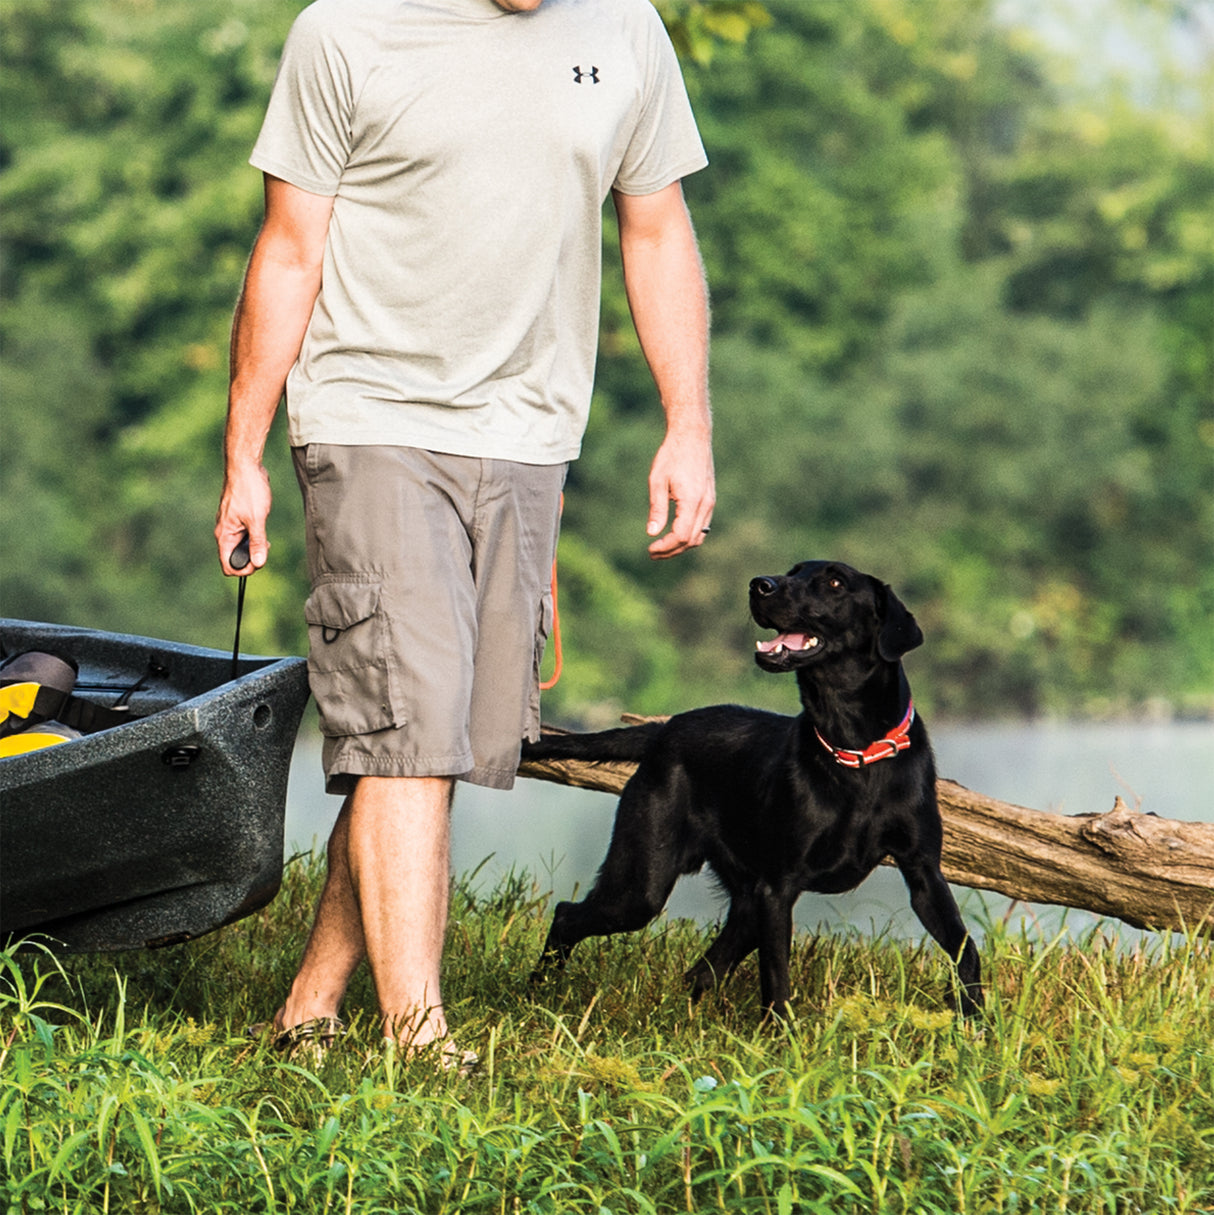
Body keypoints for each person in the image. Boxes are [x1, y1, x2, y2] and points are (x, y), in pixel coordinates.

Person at [214, 0, 714, 1065]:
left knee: (433, 740)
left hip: (530, 438)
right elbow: (290, 250)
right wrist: (243, 456)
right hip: (370, 415)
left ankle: (309, 1007)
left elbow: (658, 227)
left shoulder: (623, 27)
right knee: (407, 732)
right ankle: (419, 1039)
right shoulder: (343, 32)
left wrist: (687, 426)